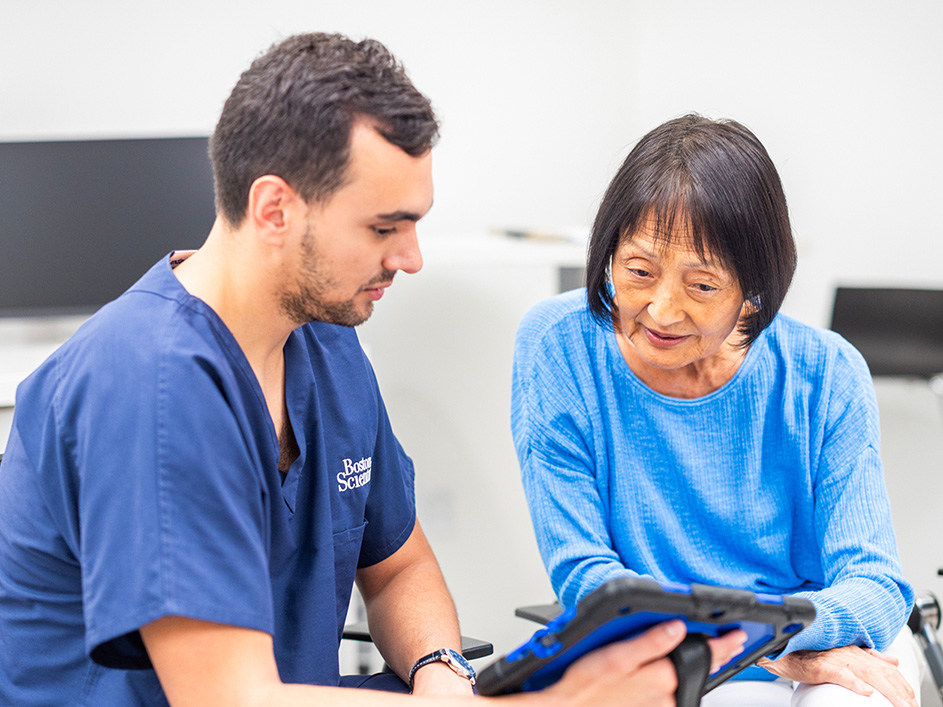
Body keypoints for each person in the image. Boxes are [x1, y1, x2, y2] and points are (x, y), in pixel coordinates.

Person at [0, 35, 746, 706]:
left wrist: (441, 671)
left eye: (415, 223)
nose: (410, 258)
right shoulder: (152, 383)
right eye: (383, 228)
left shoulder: (323, 343)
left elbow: (397, 567)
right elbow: (229, 698)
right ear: (272, 210)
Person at [511, 114, 922, 707]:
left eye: (701, 286)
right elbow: (584, 574)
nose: (661, 310)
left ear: (754, 287)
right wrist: (745, 639)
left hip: (807, 653)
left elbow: (878, 584)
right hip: (655, 652)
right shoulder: (559, 344)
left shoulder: (826, 371)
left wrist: (788, 644)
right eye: (638, 272)